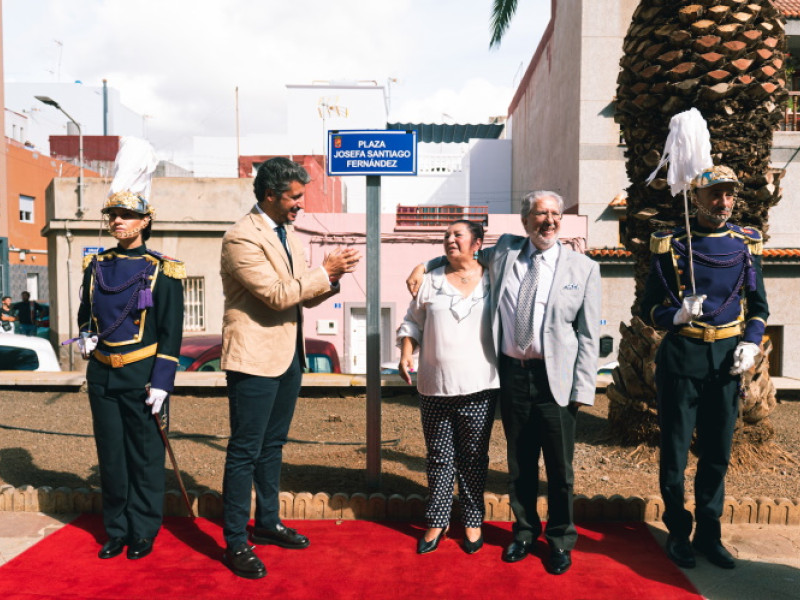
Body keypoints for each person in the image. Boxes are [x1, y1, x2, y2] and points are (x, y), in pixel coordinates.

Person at [408, 191, 601, 574]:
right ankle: (525, 533)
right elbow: (462, 254)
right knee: (520, 464)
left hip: (555, 380)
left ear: (561, 219)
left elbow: (589, 335)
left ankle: (560, 539)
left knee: (561, 471)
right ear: (525, 221)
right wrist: (423, 263)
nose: (548, 220)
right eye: (539, 214)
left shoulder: (583, 268)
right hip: (512, 376)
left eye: (554, 214)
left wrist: (582, 390)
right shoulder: (506, 252)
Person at [220, 156, 361, 579]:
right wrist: (324, 271)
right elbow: (278, 295)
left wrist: (331, 278)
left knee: (272, 446)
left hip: (286, 358)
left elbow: (303, 294)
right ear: (270, 195)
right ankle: (234, 541)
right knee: (244, 451)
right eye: (296, 197)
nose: (301, 204)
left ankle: (267, 522)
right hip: (254, 360)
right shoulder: (241, 238)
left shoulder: (287, 235)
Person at [641, 165, 769, 570]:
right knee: (676, 455)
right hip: (682, 359)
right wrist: (674, 316)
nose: (724, 202)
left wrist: (750, 342)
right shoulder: (671, 244)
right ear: (695, 199)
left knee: (717, 453)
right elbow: (646, 308)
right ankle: (678, 531)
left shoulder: (745, 243)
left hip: (727, 362)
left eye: (729, 194)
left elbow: (759, 308)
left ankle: (709, 534)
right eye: (715, 194)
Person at [76, 137, 185, 561]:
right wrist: (86, 333)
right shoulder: (96, 265)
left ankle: (144, 529)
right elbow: (87, 312)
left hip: (141, 378)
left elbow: (171, 334)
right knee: (112, 458)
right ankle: (117, 528)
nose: (117, 221)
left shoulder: (164, 271)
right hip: (103, 375)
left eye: (126, 215)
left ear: (144, 221)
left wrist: (162, 383)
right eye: (113, 215)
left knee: (144, 458)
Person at [397, 220, 499, 555]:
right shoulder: (430, 281)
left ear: (477, 243)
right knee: (439, 458)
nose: (450, 240)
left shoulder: (494, 279)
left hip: (481, 386)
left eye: (458, 235)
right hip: (434, 386)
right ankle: (437, 521)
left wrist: (423, 261)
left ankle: (472, 520)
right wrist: (406, 354)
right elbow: (412, 321)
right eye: (446, 236)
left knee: (473, 459)